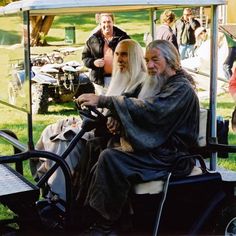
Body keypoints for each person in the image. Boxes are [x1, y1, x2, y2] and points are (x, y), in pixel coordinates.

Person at [76, 40, 200, 234]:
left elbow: (153, 110)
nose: (149, 65)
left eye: (155, 60)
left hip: (170, 156)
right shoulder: (156, 80)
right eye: (147, 60)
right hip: (155, 148)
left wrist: (103, 100)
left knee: (111, 158)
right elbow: (129, 97)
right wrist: (114, 117)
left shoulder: (181, 89)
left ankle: (107, 225)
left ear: (170, 60)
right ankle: (81, 210)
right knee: (96, 144)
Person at [30, 39, 147, 202]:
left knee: (65, 141)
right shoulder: (119, 78)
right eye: (117, 54)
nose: (119, 59)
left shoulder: (141, 83)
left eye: (125, 55)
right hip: (98, 127)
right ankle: (49, 189)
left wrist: (112, 117)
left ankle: (62, 198)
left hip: (112, 137)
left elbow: (132, 111)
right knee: (51, 131)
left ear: (135, 57)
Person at [82, 13, 130, 95]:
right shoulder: (93, 39)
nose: (106, 25)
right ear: (100, 24)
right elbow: (85, 58)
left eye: (109, 22)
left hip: (119, 79)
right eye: (104, 22)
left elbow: (132, 54)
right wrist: (93, 63)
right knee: (103, 105)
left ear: (113, 22)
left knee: (117, 104)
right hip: (100, 81)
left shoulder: (123, 38)